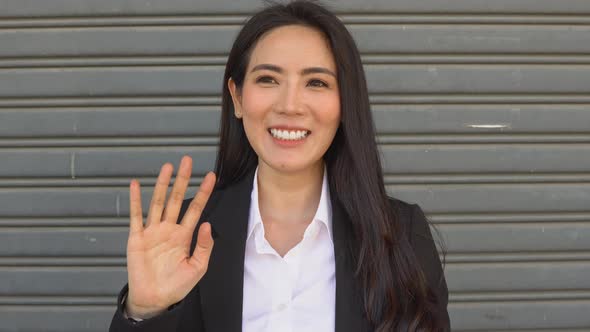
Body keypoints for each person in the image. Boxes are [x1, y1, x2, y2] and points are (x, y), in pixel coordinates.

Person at [109, 1, 449, 331]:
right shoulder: (184, 236)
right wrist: (145, 312)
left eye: (316, 82)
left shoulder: (402, 235)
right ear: (238, 98)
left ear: (345, 102)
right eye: (268, 79)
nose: (290, 105)